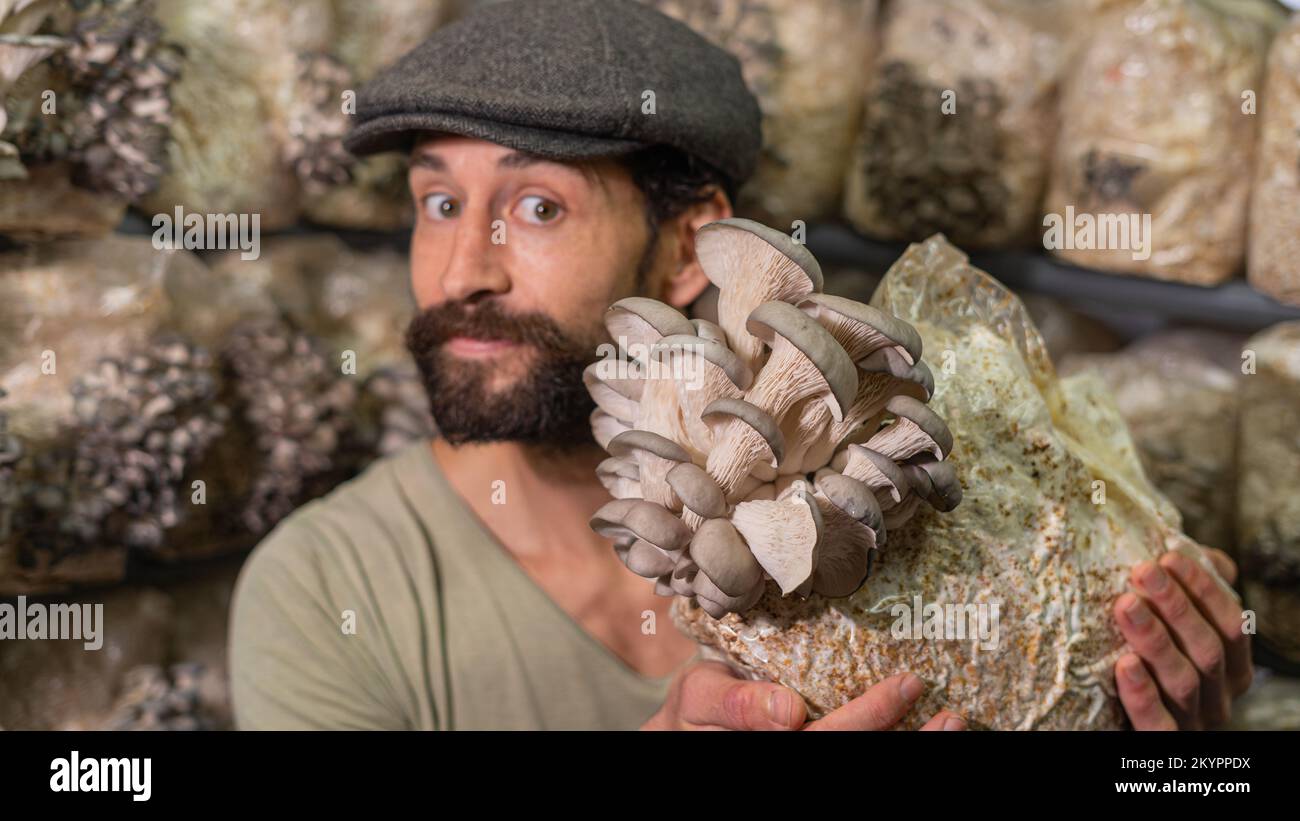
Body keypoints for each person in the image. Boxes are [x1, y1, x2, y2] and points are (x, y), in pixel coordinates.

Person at [228, 0, 1252, 731]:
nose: (461, 270)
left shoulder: (885, 540)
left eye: (537, 206)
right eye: (438, 203)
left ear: (687, 248)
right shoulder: (324, 587)